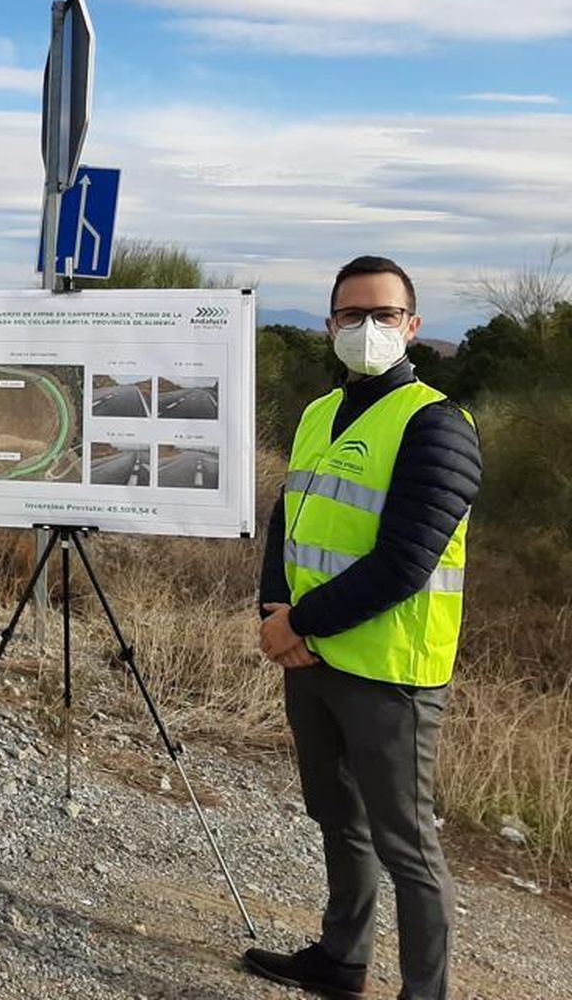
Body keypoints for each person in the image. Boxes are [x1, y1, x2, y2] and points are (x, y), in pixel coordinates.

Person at [244, 256, 481, 1000]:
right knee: (337, 819)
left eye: (384, 315)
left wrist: (302, 623)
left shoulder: (437, 425)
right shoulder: (320, 413)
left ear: (411, 325)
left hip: (391, 674)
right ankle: (341, 959)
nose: (367, 328)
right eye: (351, 315)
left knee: (407, 847)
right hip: (311, 662)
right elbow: (290, 517)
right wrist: (273, 615)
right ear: (330, 326)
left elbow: (405, 561)